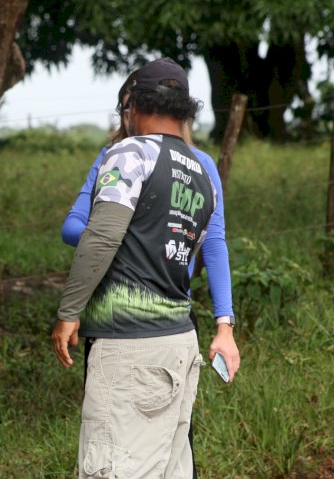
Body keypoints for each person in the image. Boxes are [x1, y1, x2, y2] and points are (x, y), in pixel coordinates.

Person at [52, 58, 240, 478]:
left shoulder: (130, 153)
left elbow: (99, 236)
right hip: (179, 339)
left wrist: (68, 311)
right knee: (169, 466)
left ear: (133, 105)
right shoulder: (203, 173)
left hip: (129, 345)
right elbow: (208, 240)